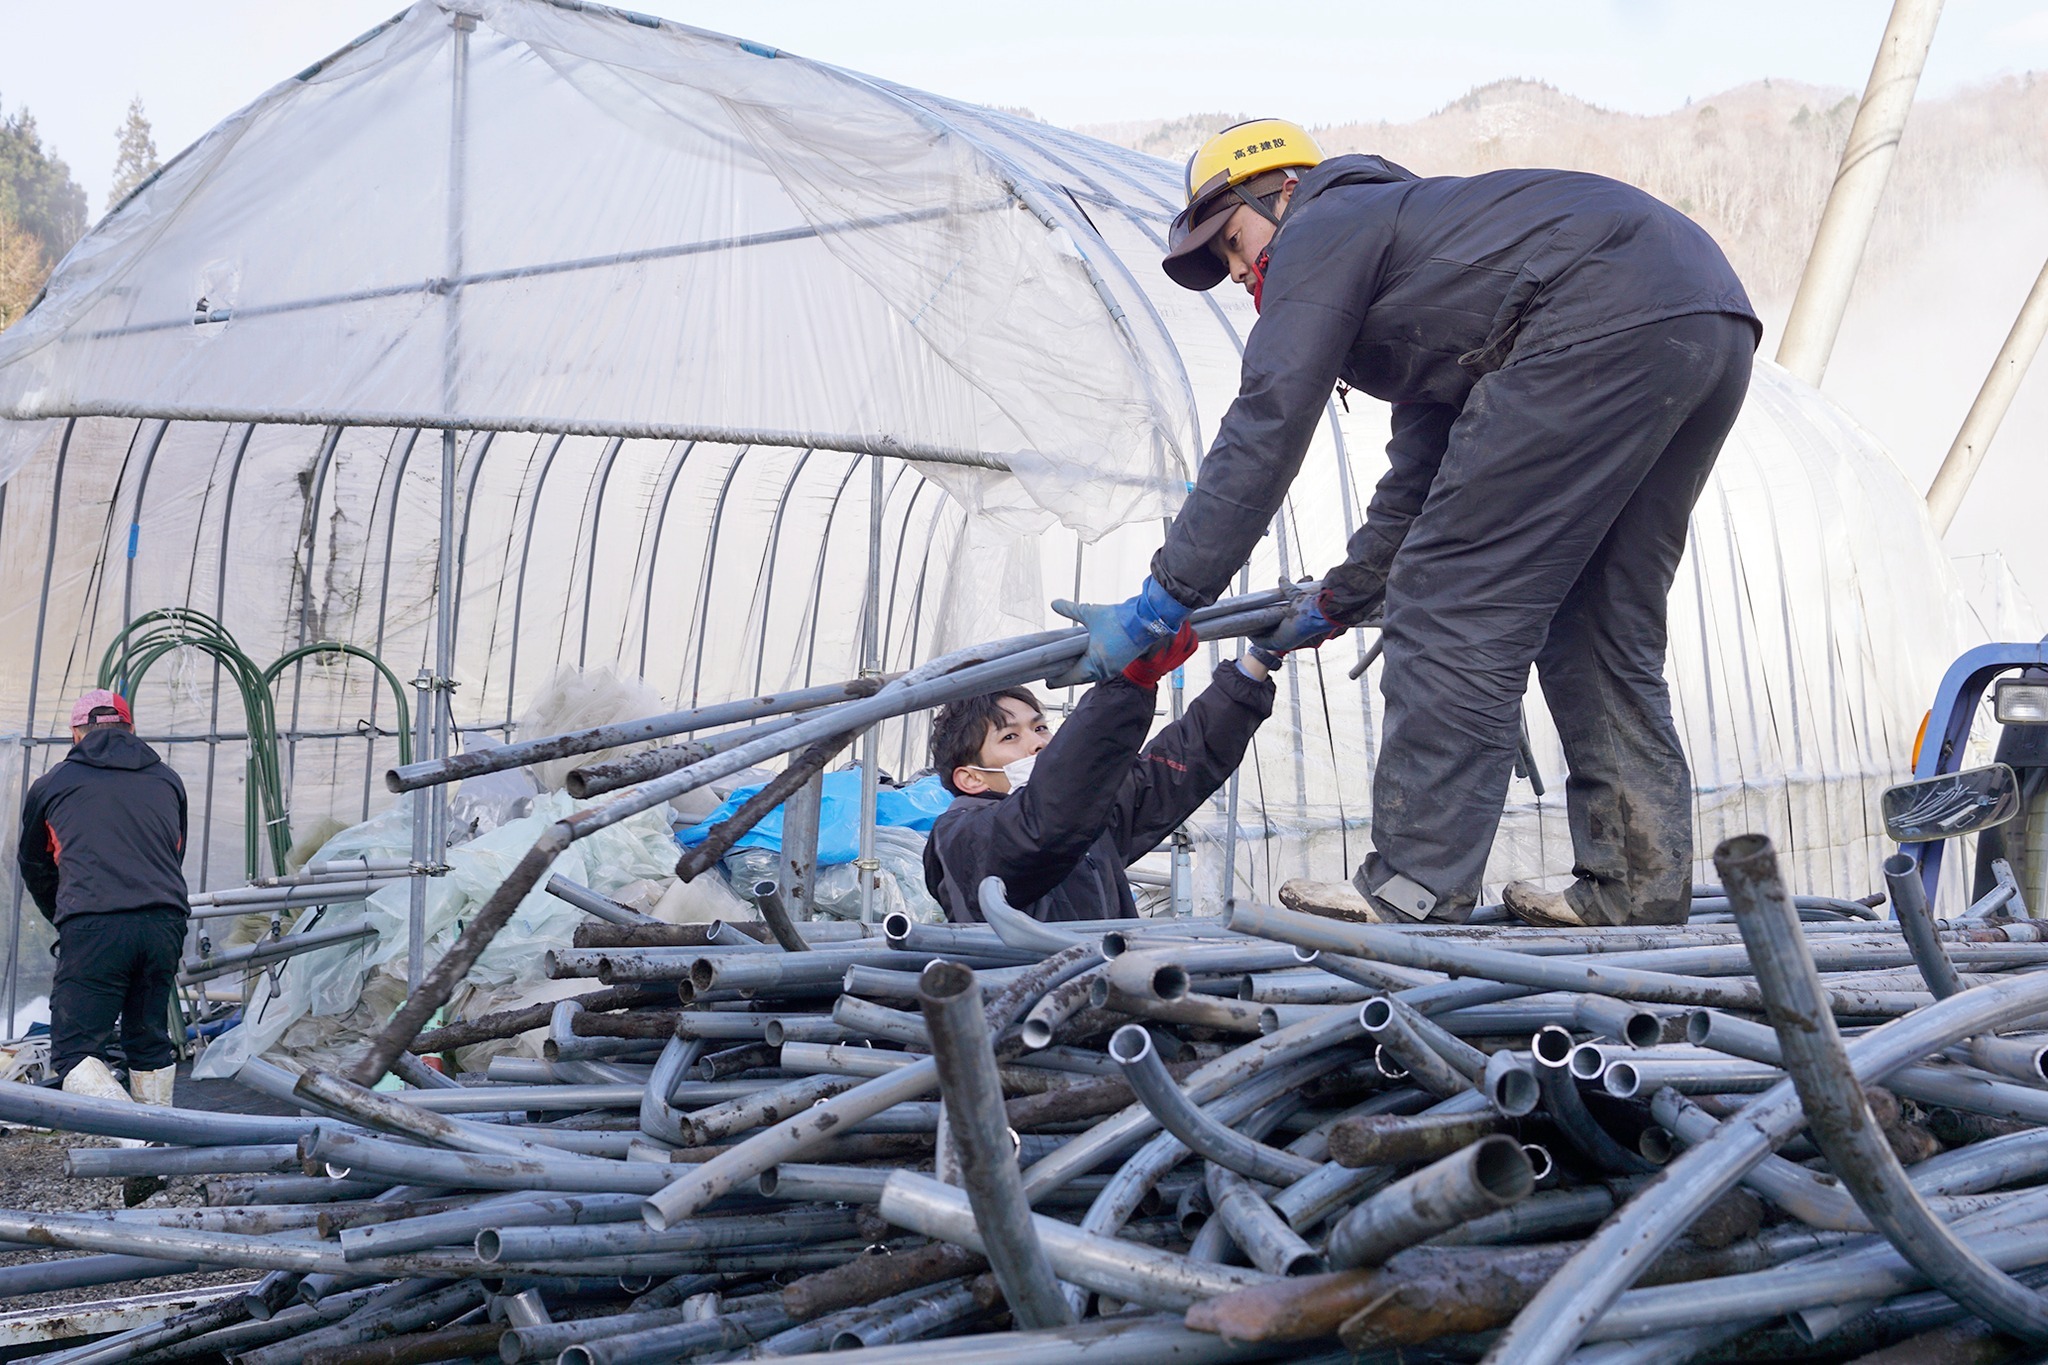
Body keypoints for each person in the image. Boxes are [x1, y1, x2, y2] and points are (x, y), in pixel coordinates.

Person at [1052, 120, 1759, 927]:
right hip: (1705, 316)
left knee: (1452, 599)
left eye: (1236, 241)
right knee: (1598, 621)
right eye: (1222, 263)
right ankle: (1635, 890)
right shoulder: (1422, 254)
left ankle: (1412, 887)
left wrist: (1166, 596)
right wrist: (1342, 598)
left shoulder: (1323, 225)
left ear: (1279, 191)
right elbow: (1425, 473)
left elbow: (1268, 420)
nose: (1241, 271)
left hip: (1597, 310)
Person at [923, 626, 1275, 923]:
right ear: (971, 779)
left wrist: (1259, 661)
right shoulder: (961, 836)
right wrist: (1130, 684)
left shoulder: (1088, 819)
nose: (1038, 744)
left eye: (1040, 727)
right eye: (1010, 736)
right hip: (1025, 1000)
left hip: (1109, 992)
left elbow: (1179, 764)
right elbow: (1039, 827)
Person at [18, 689, 189, 1107]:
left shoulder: (53, 785)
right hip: (164, 922)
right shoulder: (167, 779)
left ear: (76, 732)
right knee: (148, 1039)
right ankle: (154, 1159)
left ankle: (137, 1138)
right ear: (131, 729)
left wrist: (66, 914)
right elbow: (174, 851)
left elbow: (36, 864)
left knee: (74, 1052)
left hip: (96, 923)